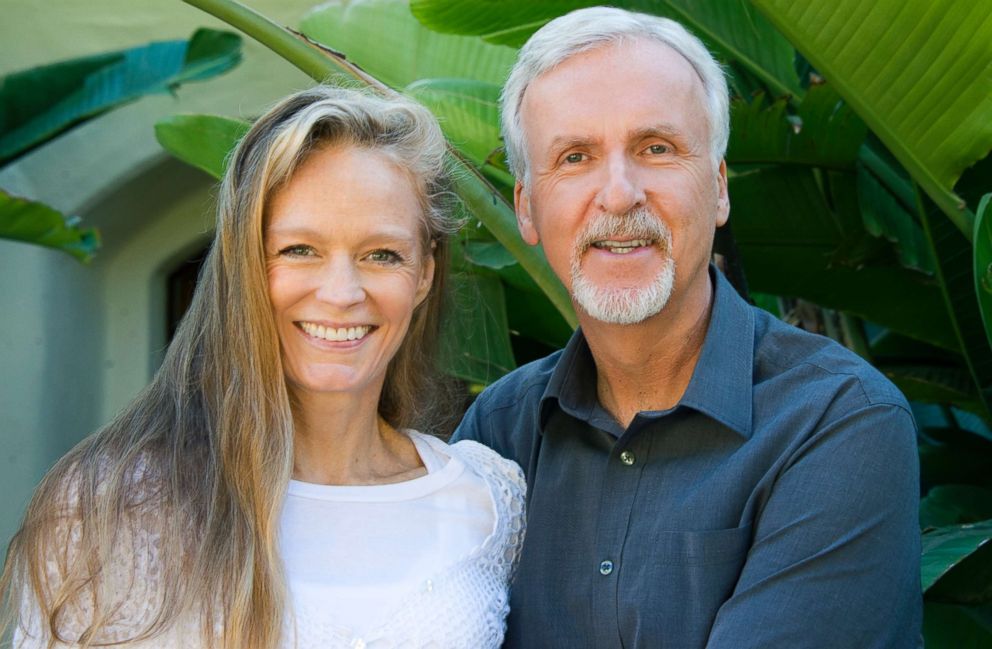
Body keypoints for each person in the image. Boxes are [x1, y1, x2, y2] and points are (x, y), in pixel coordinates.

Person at [451, 7, 922, 648]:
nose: (619, 195)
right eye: (575, 156)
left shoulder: (837, 422)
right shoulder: (499, 436)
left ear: (719, 188)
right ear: (528, 209)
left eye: (656, 149)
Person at [1, 86, 525, 649]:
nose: (342, 292)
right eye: (300, 249)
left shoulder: (487, 499)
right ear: (244, 262)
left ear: (424, 273)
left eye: (382, 255)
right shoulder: (111, 506)